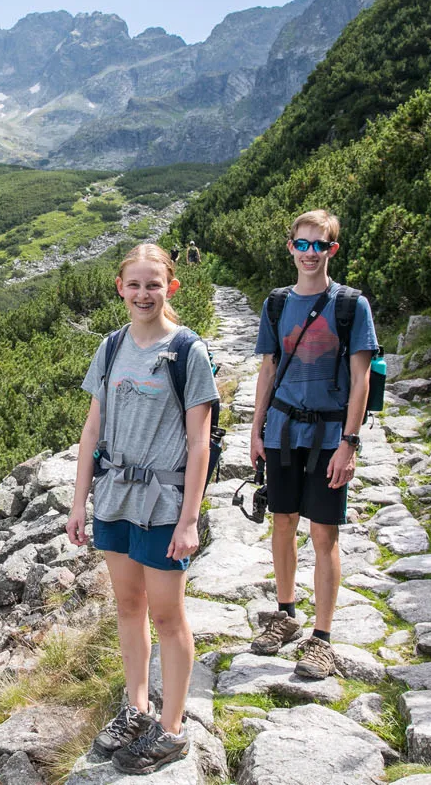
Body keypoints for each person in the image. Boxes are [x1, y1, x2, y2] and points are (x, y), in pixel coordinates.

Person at [66, 243, 219, 774]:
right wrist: (79, 500)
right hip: (115, 497)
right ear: (120, 288)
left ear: (170, 288)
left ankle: (172, 728)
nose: (143, 293)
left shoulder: (187, 352)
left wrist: (190, 518)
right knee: (128, 607)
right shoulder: (110, 348)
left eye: (153, 284)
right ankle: (135, 709)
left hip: (163, 501)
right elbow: (92, 429)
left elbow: (200, 442)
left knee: (167, 613)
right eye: (134, 284)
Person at [247, 209, 377, 679]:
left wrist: (350, 443)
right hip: (282, 431)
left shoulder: (350, 305)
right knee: (282, 521)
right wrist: (256, 429)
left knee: (323, 533)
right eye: (301, 244)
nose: (309, 253)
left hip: (328, 436)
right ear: (290, 248)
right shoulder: (277, 304)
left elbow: (360, 380)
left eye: (318, 245)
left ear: (332, 250)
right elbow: (267, 369)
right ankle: (285, 614)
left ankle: (321, 639)